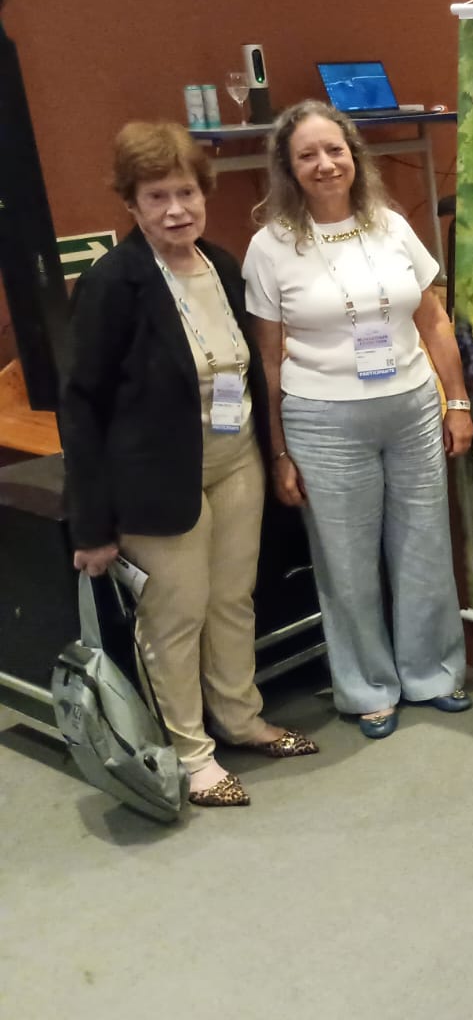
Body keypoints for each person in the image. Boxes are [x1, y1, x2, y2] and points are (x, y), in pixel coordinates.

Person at [59, 122, 318, 808]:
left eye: (186, 193)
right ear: (131, 204)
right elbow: (80, 406)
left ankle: (240, 718)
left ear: (205, 194)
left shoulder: (223, 265)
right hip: (155, 480)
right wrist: (90, 524)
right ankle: (191, 754)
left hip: (236, 463)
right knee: (176, 618)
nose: (176, 210)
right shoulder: (112, 284)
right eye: (156, 197)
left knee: (233, 600)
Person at [244, 101, 473, 741]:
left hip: (412, 408)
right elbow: (268, 359)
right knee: (345, 562)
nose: (325, 164)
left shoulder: (390, 225)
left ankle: (431, 672)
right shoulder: (269, 247)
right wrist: (279, 452)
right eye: (307, 155)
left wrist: (456, 401)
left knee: (424, 545)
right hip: (323, 419)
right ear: (288, 168)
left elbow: (433, 319)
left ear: (354, 155)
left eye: (334, 150)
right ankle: (367, 687)